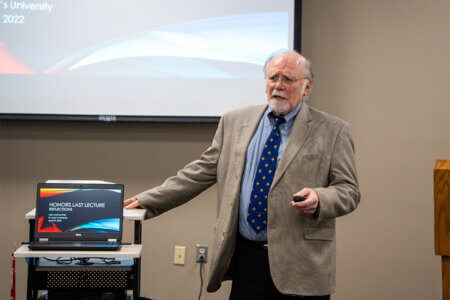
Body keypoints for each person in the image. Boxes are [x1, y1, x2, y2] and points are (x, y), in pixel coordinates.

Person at [124, 50, 360, 299]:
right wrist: (148, 199)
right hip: (248, 259)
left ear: (307, 86)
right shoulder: (234, 121)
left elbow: (349, 190)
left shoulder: (333, 130)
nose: (278, 86)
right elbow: (200, 171)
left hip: (301, 263)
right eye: (272, 78)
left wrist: (320, 199)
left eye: (288, 79)